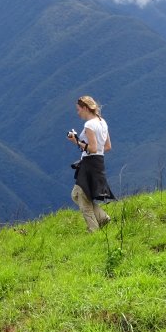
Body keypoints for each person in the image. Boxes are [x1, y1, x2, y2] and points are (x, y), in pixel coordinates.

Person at [67, 95, 115, 232]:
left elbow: (92, 148)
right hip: (98, 162)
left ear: (86, 108)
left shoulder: (89, 125)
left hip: (89, 163)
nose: (78, 113)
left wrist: (76, 142)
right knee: (77, 194)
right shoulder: (102, 121)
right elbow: (107, 146)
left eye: (79, 109)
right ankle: (102, 218)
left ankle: (93, 229)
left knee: (81, 196)